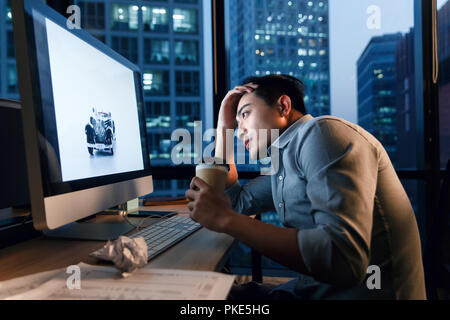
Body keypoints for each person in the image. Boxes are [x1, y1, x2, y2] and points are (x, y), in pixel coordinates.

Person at [185, 74, 426, 300]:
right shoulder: (288, 159)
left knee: (197, 297)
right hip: (312, 290)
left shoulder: (321, 133)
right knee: (202, 291)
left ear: (283, 107)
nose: (239, 132)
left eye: (245, 114)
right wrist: (224, 127)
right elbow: (236, 204)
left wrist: (226, 219)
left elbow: (344, 260)